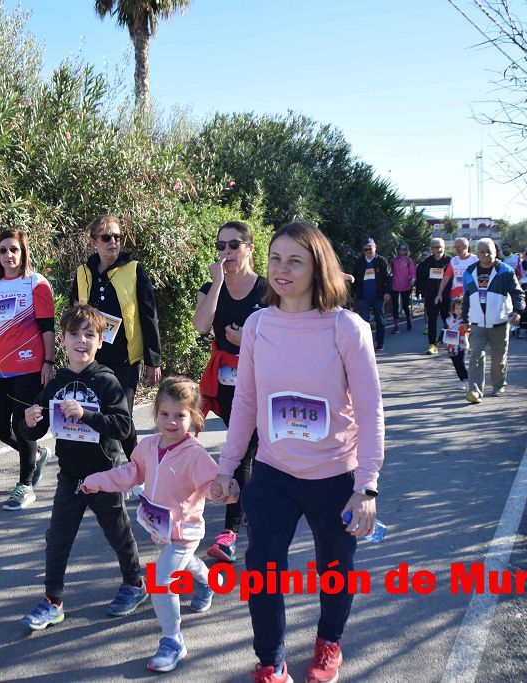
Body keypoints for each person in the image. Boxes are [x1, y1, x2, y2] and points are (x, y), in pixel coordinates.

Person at [211, 222, 385, 683]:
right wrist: (228, 468)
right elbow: (245, 402)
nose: (282, 270)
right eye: (275, 259)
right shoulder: (257, 325)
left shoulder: (347, 328)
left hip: (335, 477)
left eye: (295, 260)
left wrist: (366, 486)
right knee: (263, 568)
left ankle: (329, 642)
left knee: (336, 568)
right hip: (273, 473)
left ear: (317, 267)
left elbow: (370, 412)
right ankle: (270, 662)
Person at [80, 377, 239, 673]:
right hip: (160, 529)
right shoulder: (148, 446)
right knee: (185, 563)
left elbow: (213, 487)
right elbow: (131, 473)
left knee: (162, 582)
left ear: (194, 417)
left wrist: (225, 491)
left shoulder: (196, 456)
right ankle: (206, 583)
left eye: (180, 415)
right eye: (164, 414)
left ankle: (173, 641)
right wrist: (98, 481)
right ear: (155, 414)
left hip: (185, 532)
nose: (171, 421)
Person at [18, 304, 146, 630]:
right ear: (61, 340)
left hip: (104, 476)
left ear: (100, 341)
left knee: (118, 533)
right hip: (71, 477)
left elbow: (122, 426)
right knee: (57, 538)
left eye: (90, 335)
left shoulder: (107, 382)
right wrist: (29, 422)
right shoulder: (57, 382)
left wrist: (85, 414)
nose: (82, 340)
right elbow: (37, 427)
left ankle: (134, 583)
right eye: (74, 334)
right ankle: (52, 601)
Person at [191, 221, 266, 563]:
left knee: (244, 452)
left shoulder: (267, 290)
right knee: (244, 451)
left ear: (249, 248)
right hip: (224, 385)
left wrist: (248, 340)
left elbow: (284, 337)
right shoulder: (211, 286)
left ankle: (230, 531)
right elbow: (202, 325)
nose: (226, 253)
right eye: (221, 246)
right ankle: (249, 511)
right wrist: (218, 282)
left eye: (234, 245)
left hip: (261, 380)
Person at [0, 229, 55, 511]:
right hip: (1, 370)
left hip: (30, 367)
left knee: (23, 425)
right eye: (3, 250)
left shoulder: (36, 284)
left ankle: (25, 485)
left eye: (13, 249)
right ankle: (37, 454)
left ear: (23, 252)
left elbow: (47, 328)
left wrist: (48, 363)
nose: (8, 255)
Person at [71, 214, 162, 462]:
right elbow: (73, 315)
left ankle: (139, 470)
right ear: (93, 242)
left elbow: (148, 315)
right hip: (93, 359)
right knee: (97, 415)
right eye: (106, 237)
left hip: (125, 359)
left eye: (117, 237)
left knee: (121, 417)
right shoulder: (83, 273)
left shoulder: (134, 270)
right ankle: (108, 471)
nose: (113, 242)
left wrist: (154, 360)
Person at [462, 238, 525, 404]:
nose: (486, 254)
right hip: (477, 323)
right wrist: (464, 319)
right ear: (477, 254)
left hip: (499, 322)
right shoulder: (469, 272)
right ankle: (475, 390)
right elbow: (466, 298)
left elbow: (518, 293)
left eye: (489, 251)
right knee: (476, 356)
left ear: (495, 251)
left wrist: (517, 312)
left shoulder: (505, 270)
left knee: (498, 357)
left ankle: (498, 385)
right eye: (482, 252)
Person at [349, 237, 392, 351]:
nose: (368, 251)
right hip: (363, 297)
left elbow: (389, 277)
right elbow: (355, 279)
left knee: (380, 320)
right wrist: (352, 294)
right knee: (364, 321)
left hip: (378, 296)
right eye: (366, 249)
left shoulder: (381, 261)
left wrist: (388, 292)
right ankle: (366, 344)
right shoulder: (359, 262)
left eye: (370, 249)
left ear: (375, 247)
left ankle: (380, 343)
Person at [417, 238, 451, 354]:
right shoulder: (425, 264)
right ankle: (432, 344)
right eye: (436, 247)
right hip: (431, 296)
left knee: (449, 320)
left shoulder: (450, 261)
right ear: (432, 249)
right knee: (432, 320)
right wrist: (421, 294)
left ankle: (450, 343)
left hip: (447, 296)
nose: (439, 249)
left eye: (441, 246)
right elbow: (420, 280)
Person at [435, 237, 478, 322]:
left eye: (459, 247)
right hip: (455, 295)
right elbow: (446, 278)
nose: (456, 249)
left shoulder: (475, 259)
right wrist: (439, 294)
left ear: (466, 246)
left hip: (470, 294)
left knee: (469, 319)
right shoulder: (454, 260)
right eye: (455, 247)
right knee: (455, 320)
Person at [389, 244, 416, 333]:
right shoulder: (393, 260)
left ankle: (409, 320)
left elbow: (413, 272)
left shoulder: (409, 260)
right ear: (397, 250)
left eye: (404, 249)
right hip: (395, 285)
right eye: (400, 249)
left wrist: (413, 279)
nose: (402, 250)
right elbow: (390, 271)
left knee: (405, 305)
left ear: (406, 250)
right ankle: (396, 326)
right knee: (395, 306)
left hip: (406, 285)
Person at [443, 299, 469, 390]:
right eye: (456, 308)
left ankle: (468, 380)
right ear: (453, 309)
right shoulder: (449, 319)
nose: (459, 310)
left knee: (461, 363)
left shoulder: (466, 319)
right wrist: (438, 341)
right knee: (456, 364)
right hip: (451, 345)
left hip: (462, 345)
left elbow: (471, 330)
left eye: (461, 308)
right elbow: (444, 331)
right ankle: (462, 380)